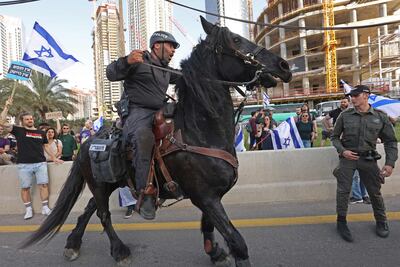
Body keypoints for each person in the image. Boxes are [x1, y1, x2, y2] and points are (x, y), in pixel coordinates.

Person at [106, 31, 180, 220]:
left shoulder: (166, 70)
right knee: (143, 137)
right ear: (157, 45)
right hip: (137, 112)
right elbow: (111, 73)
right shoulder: (139, 60)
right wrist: (125, 61)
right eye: (170, 46)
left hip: (160, 110)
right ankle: (144, 192)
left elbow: (188, 76)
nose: (173, 50)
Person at [331, 85, 398, 242]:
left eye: (355, 95)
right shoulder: (345, 115)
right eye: (351, 96)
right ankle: (341, 222)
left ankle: (381, 221)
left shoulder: (380, 116)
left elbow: (390, 141)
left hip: (368, 160)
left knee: (375, 192)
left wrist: (389, 164)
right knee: (343, 192)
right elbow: (334, 137)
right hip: (348, 158)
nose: (352, 98)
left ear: (366, 96)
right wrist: (342, 151)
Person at [0, 98, 63, 219]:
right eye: (27, 119)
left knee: (43, 185)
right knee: (25, 187)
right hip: (24, 164)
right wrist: (7, 107)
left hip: (40, 163)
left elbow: (46, 146)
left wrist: (54, 158)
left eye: (31, 118)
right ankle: (28, 209)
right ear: (22, 121)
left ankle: (45, 207)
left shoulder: (41, 132)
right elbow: (1, 122)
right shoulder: (18, 130)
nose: (30, 120)